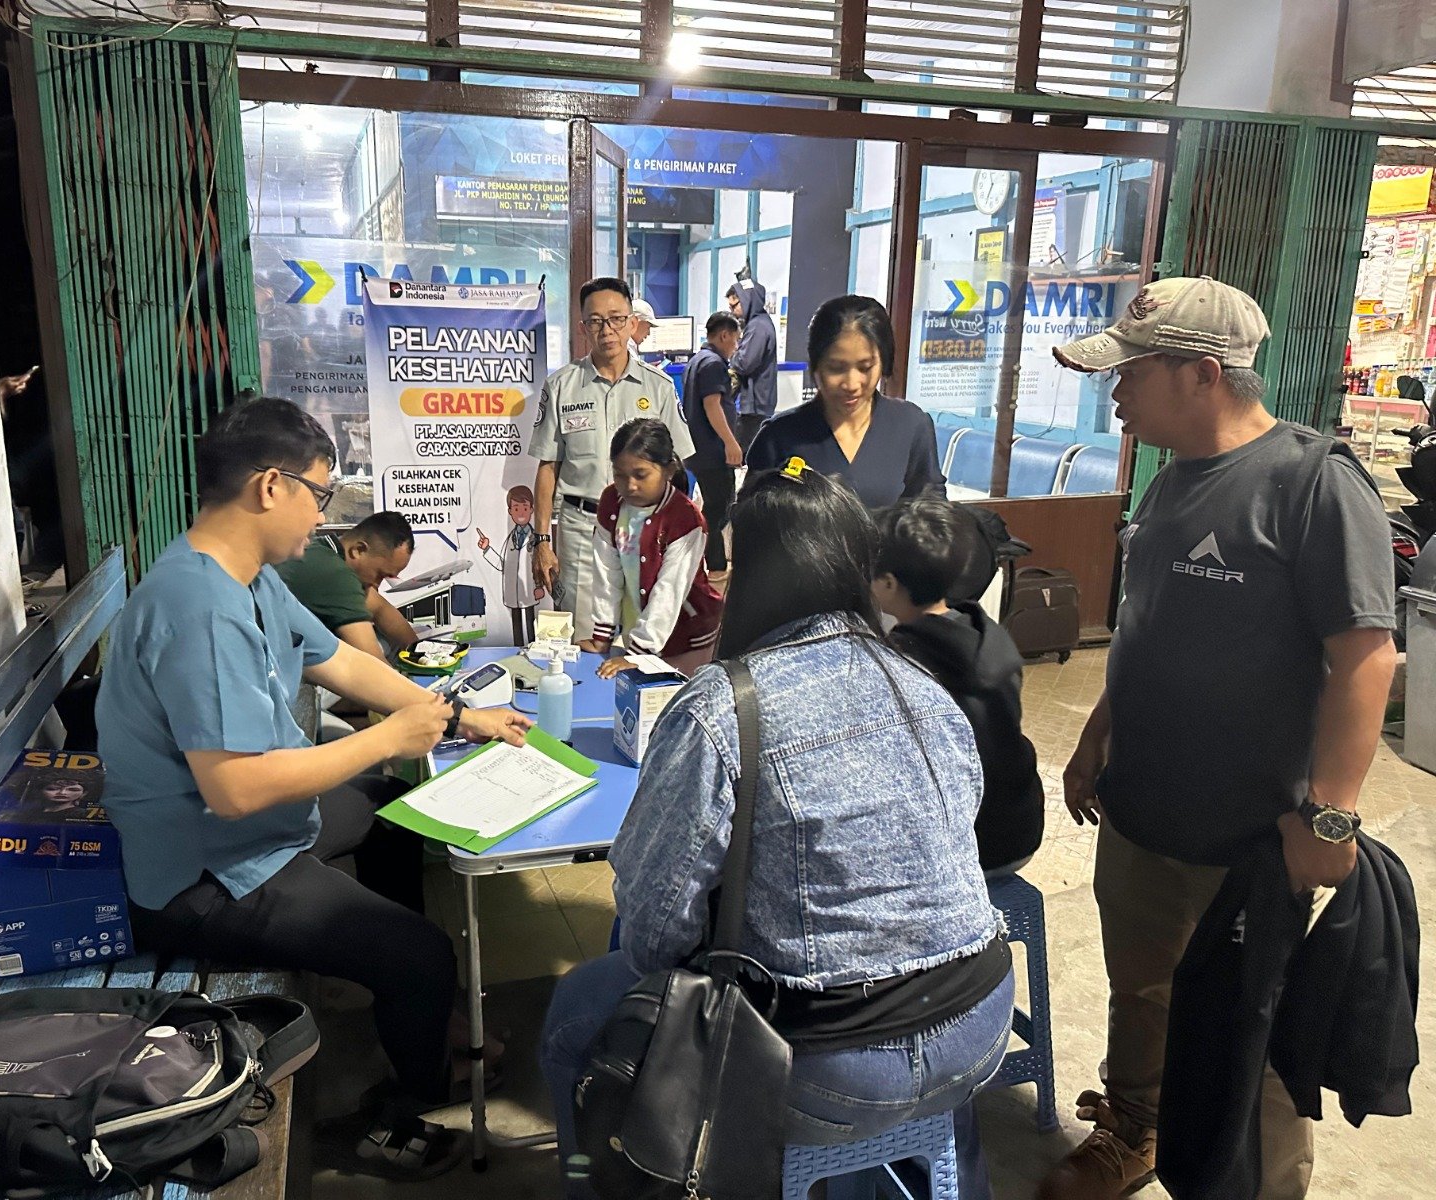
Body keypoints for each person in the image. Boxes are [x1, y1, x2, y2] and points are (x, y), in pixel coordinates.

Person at [541, 460, 1014, 1200]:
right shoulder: (923, 685)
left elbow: (654, 931)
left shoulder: (721, 707)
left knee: (576, 1011)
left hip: (832, 1063)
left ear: (753, 576)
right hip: (977, 1024)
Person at [95, 397, 531, 1181]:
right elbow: (232, 789)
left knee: (397, 815)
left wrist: (454, 715)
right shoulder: (198, 607)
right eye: (319, 494)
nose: (323, 517)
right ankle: (405, 1108)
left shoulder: (248, 577)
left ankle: (414, 1010)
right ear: (271, 486)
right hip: (208, 874)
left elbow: (339, 660)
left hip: (257, 835)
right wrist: (387, 738)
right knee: (422, 956)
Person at [1038, 277, 1397, 1200]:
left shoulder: (1312, 483)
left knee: (1254, 1028)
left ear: (1202, 374)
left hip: (1250, 836)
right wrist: (1094, 739)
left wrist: (1329, 820)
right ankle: (1137, 1130)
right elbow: (1146, 631)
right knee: (1143, 992)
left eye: (1130, 373)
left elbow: (1367, 659)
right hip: (1143, 808)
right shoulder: (1165, 484)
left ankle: (1266, 1185)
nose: (1112, 392)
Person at [873, 498, 1043, 875]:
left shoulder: (902, 663)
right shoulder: (987, 632)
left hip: (973, 847)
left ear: (887, 583)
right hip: (1021, 825)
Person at [529, 277, 695, 640]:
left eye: (617, 319)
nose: (607, 330)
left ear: (633, 324)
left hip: (646, 531)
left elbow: (679, 466)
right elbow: (548, 466)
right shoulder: (561, 386)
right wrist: (542, 540)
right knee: (585, 636)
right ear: (583, 328)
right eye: (596, 321)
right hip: (582, 531)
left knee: (645, 634)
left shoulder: (659, 388)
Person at [746, 295, 945, 508]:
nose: (851, 384)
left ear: (883, 361)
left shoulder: (910, 425)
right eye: (836, 368)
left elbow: (931, 513)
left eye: (865, 367)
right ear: (815, 365)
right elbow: (752, 521)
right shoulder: (778, 437)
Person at [575, 419, 722, 677]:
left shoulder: (685, 519)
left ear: (669, 470)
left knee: (672, 704)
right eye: (620, 474)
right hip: (640, 634)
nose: (629, 485)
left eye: (641, 475)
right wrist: (603, 634)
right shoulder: (612, 502)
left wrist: (639, 654)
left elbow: (669, 591)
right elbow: (606, 572)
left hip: (687, 638)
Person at [274, 511, 420, 661]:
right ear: (358, 550)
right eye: (380, 574)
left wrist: (420, 653)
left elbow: (380, 608)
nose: (378, 583)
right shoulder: (335, 573)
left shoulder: (326, 550)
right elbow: (372, 662)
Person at [682, 310, 743, 581]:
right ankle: (716, 568)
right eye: (736, 340)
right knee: (719, 510)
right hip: (713, 451)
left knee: (714, 507)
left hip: (698, 450)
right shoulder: (713, 364)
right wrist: (730, 442)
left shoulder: (697, 361)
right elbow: (712, 405)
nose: (736, 346)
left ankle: (711, 564)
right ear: (724, 335)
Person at [476, 484, 546, 645]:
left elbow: (540, 563)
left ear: (531, 510)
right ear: (510, 512)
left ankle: (534, 648)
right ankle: (517, 650)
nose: (520, 513)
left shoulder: (536, 539)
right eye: (516, 509)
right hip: (512, 593)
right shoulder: (510, 539)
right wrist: (487, 548)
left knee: (531, 624)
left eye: (524, 508)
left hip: (529, 591)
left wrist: (539, 587)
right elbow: (503, 565)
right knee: (516, 628)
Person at [726, 278, 779, 450]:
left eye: (735, 305)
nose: (732, 311)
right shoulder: (757, 324)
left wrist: (730, 352)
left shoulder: (758, 327)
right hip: (756, 403)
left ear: (748, 300)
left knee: (742, 454)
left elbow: (744, 363)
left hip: (754, 405)